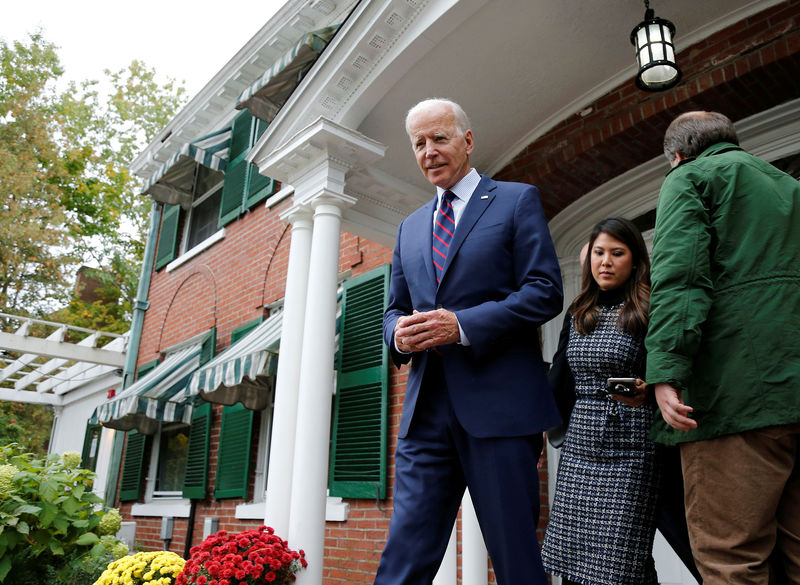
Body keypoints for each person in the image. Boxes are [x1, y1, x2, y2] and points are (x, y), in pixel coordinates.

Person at [374, 98, 563, 585]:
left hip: (500, 409)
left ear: (467, 140)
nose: (429, 151)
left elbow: (544, 292)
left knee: (517, 560)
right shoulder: (409, 227)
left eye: (439, 138)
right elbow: (393, 308)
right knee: (402, 561)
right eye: (419, 143)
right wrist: (397, 333)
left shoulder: (515, 200)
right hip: (425, 415)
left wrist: (460, 326)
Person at [646, 110, 800, 584]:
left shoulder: (688, 177)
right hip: (792, 394)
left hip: (732, 398)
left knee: (732, 559)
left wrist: (665, 371)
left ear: (676, 154)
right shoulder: (790, 188)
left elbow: (681, 278)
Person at [541, 217, 661, 584]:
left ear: (635, 260)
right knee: (573, 563)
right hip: (579, 448)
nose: (605, 261)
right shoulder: (579, 311)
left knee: (624, 564)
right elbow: (559, 377)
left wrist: (648, 393)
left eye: (616, 253)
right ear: (587, 259)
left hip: (632, 450)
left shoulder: (648, 310)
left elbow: (668, 374)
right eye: (598, 252)